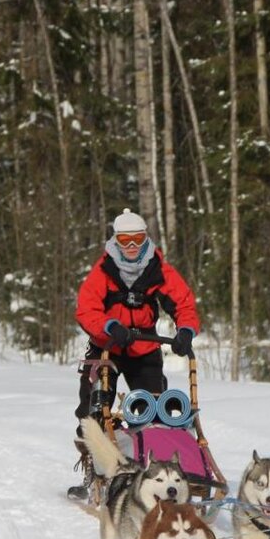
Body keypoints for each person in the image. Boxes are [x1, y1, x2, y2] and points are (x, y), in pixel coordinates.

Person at [67, 209, 201, 500]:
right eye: (125, 240)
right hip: (108, 347)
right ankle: (93, 472)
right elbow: (86, 309)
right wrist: (109, 326)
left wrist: (186, 331)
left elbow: (183, 303)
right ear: (115, 240)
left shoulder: (158, 268)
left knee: (156, 409)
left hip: (144, 347)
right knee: (93, 406)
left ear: (145, 239)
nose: (131, 247)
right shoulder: (103, 270)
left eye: (137, 240)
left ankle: (159, 471)